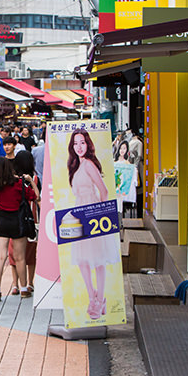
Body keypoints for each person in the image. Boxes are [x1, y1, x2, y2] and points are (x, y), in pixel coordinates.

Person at [68, 129, 120, 319]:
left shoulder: (89, 164)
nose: (79, 146)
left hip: (92, 212)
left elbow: (104, 191)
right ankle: (94, 297)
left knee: (97, 258)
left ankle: (99, 299)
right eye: (75, 143)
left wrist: (100, 214)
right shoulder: (76, 166)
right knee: (82, 258)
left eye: (82, 142)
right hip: (79, 212)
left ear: (88, 144)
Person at [0, 157, 39, 301]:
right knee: (20, 257)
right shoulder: (19, 184)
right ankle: (23, 288)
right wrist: (31, 182)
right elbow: (35, 196)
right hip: (18, 221)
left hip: (1, 220)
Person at [8, 151, 39, 296]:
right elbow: (37, 197)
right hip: (31, 218)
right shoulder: (35, 178)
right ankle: (30, 283)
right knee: (31, 252)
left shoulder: (13, 179)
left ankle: (15, 284)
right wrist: (32, 182)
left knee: (13, 252)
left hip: (14, 217)